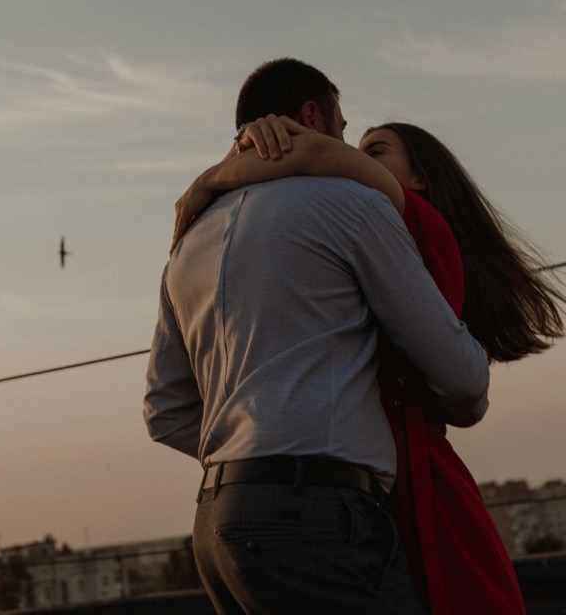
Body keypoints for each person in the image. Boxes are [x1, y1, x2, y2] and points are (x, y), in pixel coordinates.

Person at [172, 109, 564, 614]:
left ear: (419, 176)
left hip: (410, 489)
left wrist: (211, 178)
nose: (353, 160)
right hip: (366, 492)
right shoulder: (378, 229)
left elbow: (314, 153)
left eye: (374, 151)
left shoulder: (407, 217)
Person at [144, 58, 490, 615]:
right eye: (346, 128)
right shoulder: (353, 205)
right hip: (317, 515)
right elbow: (463, 379)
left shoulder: (186, 244)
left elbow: (165, 411)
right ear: (313, 116)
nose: (349, 145)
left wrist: (249, 454)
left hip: (215, 526)